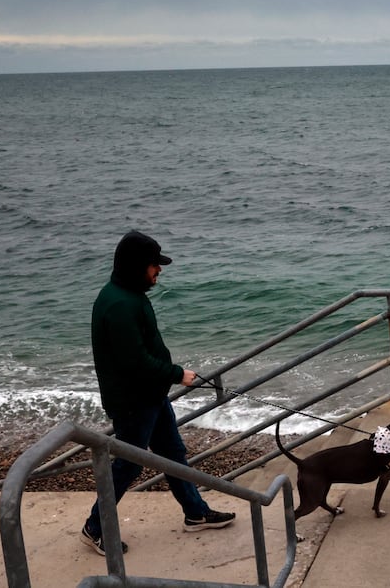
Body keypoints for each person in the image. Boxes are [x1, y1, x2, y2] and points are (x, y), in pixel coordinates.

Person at [80, 230, 235, 556]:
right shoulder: (119, 305)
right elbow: (134, 362)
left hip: (150, 396)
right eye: (154, 265)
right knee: (128, 466)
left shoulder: (128, 295)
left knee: (173, 455)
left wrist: (167, 377)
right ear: (137, 266)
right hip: (133, 402)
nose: (159, 270)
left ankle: (195, 512)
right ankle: (95, 527)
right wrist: (178, 374)